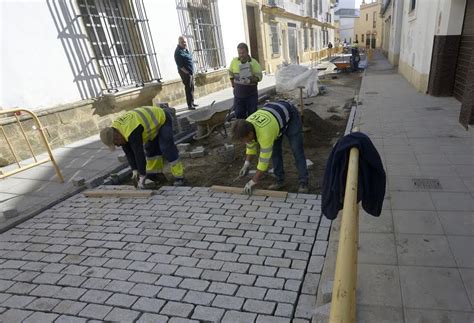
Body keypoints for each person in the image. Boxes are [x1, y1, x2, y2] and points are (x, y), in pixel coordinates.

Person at [231, 100, 309, 195]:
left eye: (244, 140)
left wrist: (253, 181)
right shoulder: (246, 126)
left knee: (297, 151)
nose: (244, 142)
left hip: (290, 115)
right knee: (275, 153)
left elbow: (263, 162)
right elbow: (251, 147)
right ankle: (280, 180)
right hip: (274, 120)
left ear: (251, 134)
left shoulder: (265, 135)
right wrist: (246, 164)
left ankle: (303, 182)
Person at [100, 106, 184, 188]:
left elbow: (138, 153)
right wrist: (134, 170)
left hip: (162, 118)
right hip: (150, 126)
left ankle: (179, 177)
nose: (117, 145)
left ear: (116, 136)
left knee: (166, 147)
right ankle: (155, 175)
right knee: (151, 150)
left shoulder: (131, 130)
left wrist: (142, 175)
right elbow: (129, 153)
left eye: (115, 143)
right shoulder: (117, 130)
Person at [229, 43, 263, 119]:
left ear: (247, 52)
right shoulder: (234, 61)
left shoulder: (254, 63)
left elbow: (259, 77)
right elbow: (231, 75)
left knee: (252, 115)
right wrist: (234, 86)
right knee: (239, 114)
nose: (241, 55)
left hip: (251, 95)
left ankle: (251, 130)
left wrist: (251, 78)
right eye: (239, 53)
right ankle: (242, 130)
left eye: (243, 53)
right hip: (238, 96)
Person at [174, 36, 198, 110]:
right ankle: (190, 105)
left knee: (192, 88)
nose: (184, 43)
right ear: (179, 43)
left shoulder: (185, 49)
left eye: (185, 42)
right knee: (188, 88)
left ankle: (192, 102)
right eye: (182, 42)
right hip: (185, 73)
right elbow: (180, 65)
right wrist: (187, 73)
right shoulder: (178, 52)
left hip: (190, 72)